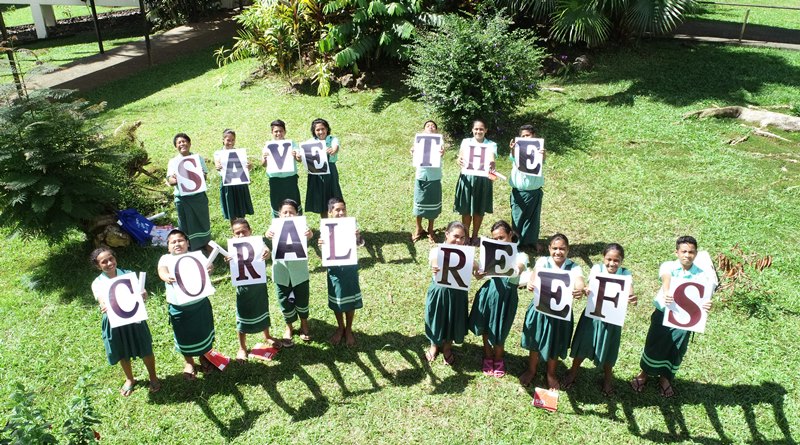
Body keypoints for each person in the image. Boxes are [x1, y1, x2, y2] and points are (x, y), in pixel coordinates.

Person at [631, 236, 713, 398]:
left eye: (691, 252)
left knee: (676, 349)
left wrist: (708, 305)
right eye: (684, 251)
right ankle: (644, 373)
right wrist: (668, 290)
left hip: (685, 320)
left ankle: (665, 378)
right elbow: (665, 276)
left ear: (696, 254)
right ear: (677, 252)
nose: (687, 255)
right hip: (663, 314)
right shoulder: (669, 266)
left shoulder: (702, 274)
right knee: (654, 344)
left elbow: (704, 295)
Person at [563, 243, 637, 395]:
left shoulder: (625, 273)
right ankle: (573, 371)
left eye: (616, 260)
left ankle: (608, 378)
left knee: (609, 348)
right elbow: (591, 283)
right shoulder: (597, 268)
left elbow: (629, 288)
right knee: (584, 343)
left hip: (612, 319)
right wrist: (587, 289)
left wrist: (631, 297)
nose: (612, 263)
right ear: (604, 258)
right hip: (593, 316)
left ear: (621, 261)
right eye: (608, 259)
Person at [90, 247, 160, 396]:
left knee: (145, 346)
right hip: (114, 321)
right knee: (122, 351)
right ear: (98, 266)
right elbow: (102, 300)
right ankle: (130, 378)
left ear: (115, 258)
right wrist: (103, 305)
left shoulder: (128, 274)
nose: (109, 263)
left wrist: (143, 294)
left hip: (135, 318)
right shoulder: (97, 283)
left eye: (111, 259)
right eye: (104, 262)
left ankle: (153, 376)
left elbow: (143, 294)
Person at [520, 233, 585, 389]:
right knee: (535, 340)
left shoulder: (573, 267)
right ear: (549, 248)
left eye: (562, 249)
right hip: (540, 310)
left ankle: (551, 373)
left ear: (568, 250)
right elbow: (533, 279)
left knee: (555, 343)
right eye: (554, 248)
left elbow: (579, 282)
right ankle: (532, 369)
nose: (558, 252)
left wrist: (579, 290)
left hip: (560, 315)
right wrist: (530, 284)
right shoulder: (543, 261)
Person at [468, 220, 528, 377]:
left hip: (507, 297)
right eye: (494, 239)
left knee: (501, 328)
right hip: (490, 293)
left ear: (510, 235)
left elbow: (519, 268)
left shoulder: (521, 255)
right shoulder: (489, 254)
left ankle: (499, 358)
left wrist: (514, 268)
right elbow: (478, 277)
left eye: (501, 237)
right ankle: (488, 356)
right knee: (485, 326)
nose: (498, 242)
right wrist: (478, 273)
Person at [157, 229, 216, 379]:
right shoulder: (165, 259)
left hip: (200, 304)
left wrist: (210, 269)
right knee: (184, 335)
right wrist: (166, 276)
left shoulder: (197, 256)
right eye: (173, 242)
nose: (177, 244)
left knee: (203, 331)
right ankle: (189, 362)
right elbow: (161, 271)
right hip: (179, 308)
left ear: (187, 243)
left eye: (181, 240)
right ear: (168, 246)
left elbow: (209, 267)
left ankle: (204, 356)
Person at [227, 218, 281, 361]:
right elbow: (232, 264)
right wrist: (228, 259)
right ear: (233, 235)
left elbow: (266, 250)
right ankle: (242, 347)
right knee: (242, 316)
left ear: (250, 231)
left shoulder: (258, 243)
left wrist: (267, 253)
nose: (241, 235)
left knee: (263, 309)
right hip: (243, 289)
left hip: (259, 287)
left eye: (244, 232)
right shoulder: (233, 248)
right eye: (237, 233)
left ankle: (267, 335)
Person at [265, 199, 314, 346]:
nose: (288, 215)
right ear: (279, 215)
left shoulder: (302, 227)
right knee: (284, 299)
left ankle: (304, 323)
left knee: (302, 297)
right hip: (281, 272)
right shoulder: (274, 228)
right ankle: (289, 326)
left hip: (299, 272)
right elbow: (268, 236)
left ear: (297, 214)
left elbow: (309, 235)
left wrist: (310, 234)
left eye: (291, 212)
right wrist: (268, 234)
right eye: (285, 212)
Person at [318, 197, 363, 346]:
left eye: (343, 209)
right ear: (330, 212)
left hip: (349, 269)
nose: (341, 212)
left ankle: (349, 329)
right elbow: (324, 250)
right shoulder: (325, 227)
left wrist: (357, 236)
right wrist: (321, 245)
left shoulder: (352, 224)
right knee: (337, 299)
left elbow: (360, 243)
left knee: (350, 300)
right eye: (337, 210)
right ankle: (340, 327)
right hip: (334, 270)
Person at [424, 221, 471, 365]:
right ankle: (434, 345)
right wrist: (435, 267)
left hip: (458, 295)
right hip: (440, 293)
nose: (459, 240)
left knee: (453, 320)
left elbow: (476, 269)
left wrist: (481, 270)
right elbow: (434, 261)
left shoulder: (466, 254)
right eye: (455, 236)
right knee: (437, 319)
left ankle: (447, 347)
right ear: (446, 234)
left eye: (462, 238)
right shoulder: (437, 251)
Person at [166, 133, 212, 252]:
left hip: (198, 197)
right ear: (176, 146)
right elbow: (170, 180)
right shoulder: (173, 162)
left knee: (203, 221)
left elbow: (205, 176)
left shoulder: (198, 158)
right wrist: (174, 180)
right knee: (185, 224)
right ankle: (188, 246)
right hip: (182, 199)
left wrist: (201, 175)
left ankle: (205, 243)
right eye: (179, 142)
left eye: (184, 141)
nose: (182, 144)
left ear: (190, 143)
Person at [454, 119, 497, 246]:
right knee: (466, 209)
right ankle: (466, 236)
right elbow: (460, 158)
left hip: (483, 180)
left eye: (481, 129)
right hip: (467, 178)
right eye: (476, 129)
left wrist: (492, 163)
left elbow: (492, 158)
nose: (479, 131)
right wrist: (459, 161)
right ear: (472, 130)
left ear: (486, 130)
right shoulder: (466, 142)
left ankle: (475, 235)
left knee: (479, 208)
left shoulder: (491, 144)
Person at [508, 124, 546, 251]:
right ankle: (516, 243)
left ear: (533, 135)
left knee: (533, 219)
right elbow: (513, 157)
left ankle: (531, 241)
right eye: (523, 136)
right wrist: (513, 149)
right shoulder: (517, 148)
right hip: (519, 191)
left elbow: (542, 161)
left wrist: (542, 154)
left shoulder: (538, 149)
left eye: (528, 135)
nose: (525, 137)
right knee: (517, 218)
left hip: (534, 191)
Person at [262, 119, 303, 217]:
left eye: (281, 131)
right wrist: (264, 158)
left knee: (294, 201)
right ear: (272, 132)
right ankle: (278, 226)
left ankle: (298, 225)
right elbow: (263, 164)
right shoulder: (268, 146)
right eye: (276, 131)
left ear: (285, 131)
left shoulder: (292, 143)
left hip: (290, 179)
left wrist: (296, 155)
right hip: (275, 180)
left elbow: (299, 159)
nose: (278, 133)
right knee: (276, 202)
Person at [411, 120, 443, 243]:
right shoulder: (419, 140)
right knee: (419, 202)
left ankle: (430, 229)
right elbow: (414, 152)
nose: (431, 127)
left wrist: (442, 152)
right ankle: (418, 229)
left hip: (434, 176)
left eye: (433, 126)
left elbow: (442, 152)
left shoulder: (439, 141)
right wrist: (413, 151)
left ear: (436, 130)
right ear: (423, 129)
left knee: (432, 203)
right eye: (428, 125)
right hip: (421, 175)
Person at [305, 118, 343, 218]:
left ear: (327, 129)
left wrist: (333, 150)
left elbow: (336, 147)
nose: (321, 132)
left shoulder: (332, 139)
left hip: (330, 171)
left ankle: (338, 221)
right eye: (318, 130)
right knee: (321, 200)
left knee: (334, 197)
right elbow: (303, 154)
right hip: (316, 173)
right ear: (314, 131)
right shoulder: (310, 142)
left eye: (323, 129)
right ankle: (325, 224)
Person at [214, 129, 254, 220]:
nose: (230, 142)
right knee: (231, 211)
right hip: (227, 185)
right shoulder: (218, 153)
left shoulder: (239, 153)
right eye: (228, 140)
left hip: (240, 185)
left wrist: (249, 166)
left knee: (241, 210)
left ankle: (243, 229)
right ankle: (234, 231)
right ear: (223, 140)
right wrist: (218, 166)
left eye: (233, 140)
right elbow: (217, 164)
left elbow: (246, 165)